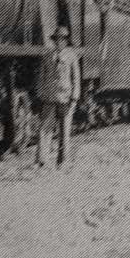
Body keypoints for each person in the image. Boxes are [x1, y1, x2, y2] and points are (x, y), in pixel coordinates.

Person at [36, 25, 81, 167]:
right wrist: (41, 93)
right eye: (56, 39)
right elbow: (42, 77)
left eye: (61, 39)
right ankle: (41, 160)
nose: (58, 42)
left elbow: (76, 78)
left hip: (65, 97)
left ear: (66, 41)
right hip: (49, 97)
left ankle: (62, 160)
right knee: (44, 129)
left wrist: (74, 96)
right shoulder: (47, 56)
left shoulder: (71, 56)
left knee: (64, 131)